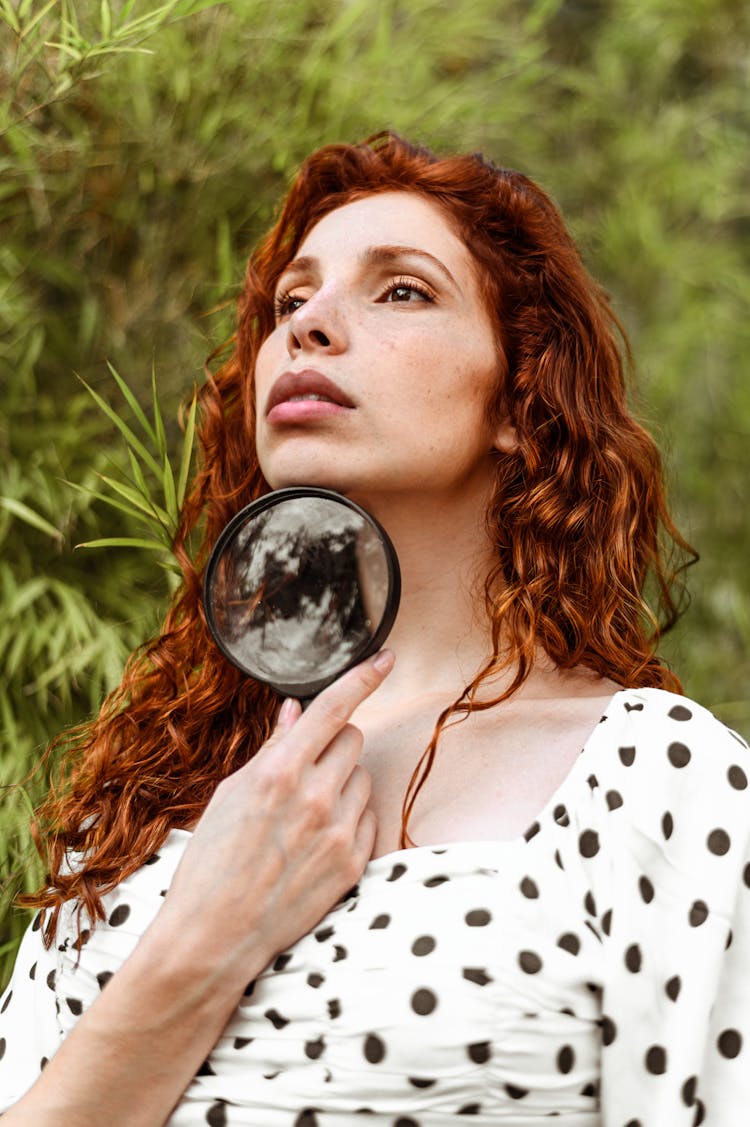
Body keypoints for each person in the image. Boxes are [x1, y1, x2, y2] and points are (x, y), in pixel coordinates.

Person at [0, 131, 748, 1126]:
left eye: (401, 289)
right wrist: (204, 937)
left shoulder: (654, 780)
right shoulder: (136, 805)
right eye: (289, 301)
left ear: (520, 399)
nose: (309, 323)